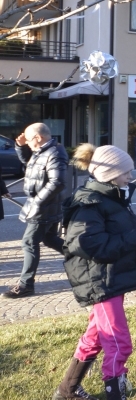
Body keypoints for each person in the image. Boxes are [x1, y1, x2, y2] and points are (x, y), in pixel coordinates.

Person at [55, 145, 136, 400]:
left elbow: (116, 238)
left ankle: (67, 390)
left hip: (111, 278)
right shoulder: (89, 203)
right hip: (99, 282)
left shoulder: (111, 197)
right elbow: (90, 245)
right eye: (126, 171)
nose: (130, 176)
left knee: (94, 336)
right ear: (110, 174)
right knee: (118, 345)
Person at [3, 123, 68, 299]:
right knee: (50, 239)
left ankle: (26, 285)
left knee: (29, 243)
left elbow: (57, 182)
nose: (29, 144)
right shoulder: (42, 151)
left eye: (30, 140)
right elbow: (29, 163)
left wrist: (38, 201)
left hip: (45, 206)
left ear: (38, 138)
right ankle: (85, 257)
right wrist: (20, 146)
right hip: (45, 205)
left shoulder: (54, 153)